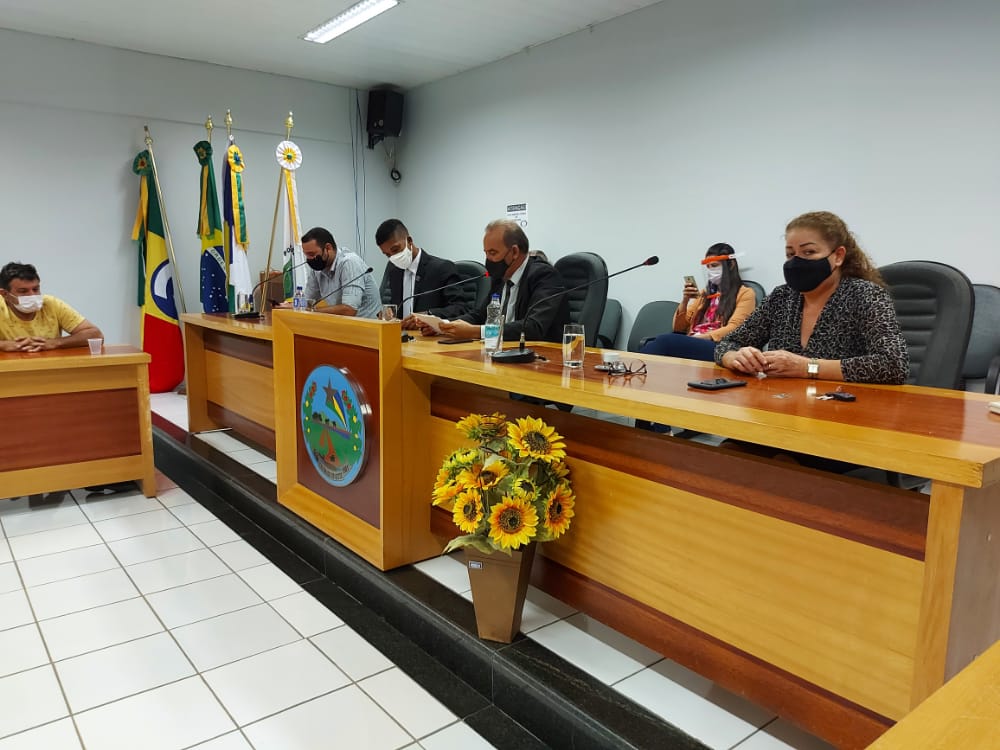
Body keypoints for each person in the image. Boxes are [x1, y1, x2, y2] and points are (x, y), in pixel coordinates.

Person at [715, 211, 908, 383]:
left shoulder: (865, 295)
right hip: (781, 403)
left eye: (809, 252)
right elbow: (727, 344)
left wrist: (807, 367)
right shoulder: (782, 297)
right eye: (790, 254)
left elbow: (894, 365)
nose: (797, 261)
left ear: (838, 256)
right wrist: (735, 357)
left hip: (844, 406)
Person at [436, 220, 570, 342]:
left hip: (541, 355)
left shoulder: (545, 276)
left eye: (493, 253)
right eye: (486, 253)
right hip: (502, 350)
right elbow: (479, 316)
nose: (488, 260)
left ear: (514, 252)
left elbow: (533, 327)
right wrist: (443, 325)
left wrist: (477, 332)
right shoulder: (500, 277)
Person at [640, 243, 756, 362]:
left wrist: (699, 338)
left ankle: (635, 366)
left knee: (665, 341)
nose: (711, 271)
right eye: (708, 267)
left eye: (714, 265)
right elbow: (678, 328)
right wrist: (685, 300)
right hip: (694, 341)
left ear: (731, 265)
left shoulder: (746, 293)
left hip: (719, 347)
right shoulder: (705, 293)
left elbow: (735, 328)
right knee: (654, 342)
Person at [376, 219, 469, 329]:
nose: (393, 257)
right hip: (402, 335)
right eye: (387, 255)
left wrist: (427, 315)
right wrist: (388, 313)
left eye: (395, 250)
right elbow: (397, 309)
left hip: (429, 335)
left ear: (409, 241)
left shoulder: (441, 268)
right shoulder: (394, 271)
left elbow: (460, 308)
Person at [279, 227, 380, 318]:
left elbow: (349, 310)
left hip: (368, 327)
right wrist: (288, 306)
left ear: (328, 248)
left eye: (312, 254)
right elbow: (307, 302)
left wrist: (312, 311)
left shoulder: (349, 263)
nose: (309, 260)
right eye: (306, 255)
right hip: (342, 325)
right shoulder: (318, 269)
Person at [0, 262, 102, 352]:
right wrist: (3, 345)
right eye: (23, 291)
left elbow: (96, 335)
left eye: (35, 289)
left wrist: (56, 343)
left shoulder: (51, 304)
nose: (32, 295)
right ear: (4, 294)